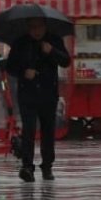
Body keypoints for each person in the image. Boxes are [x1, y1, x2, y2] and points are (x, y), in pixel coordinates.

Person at [5, 19, 71, 182]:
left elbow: (65, 61)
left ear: (45, 27)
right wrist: (24, 72)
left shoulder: (54, 40)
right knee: (29, 130)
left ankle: (47, 166)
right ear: (28, 28)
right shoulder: (20, 43)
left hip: (48, 93)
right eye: (33, 27)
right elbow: (10, 66)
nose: (36, 31)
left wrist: (52, 51)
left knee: (48, 131)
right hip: (28, 93)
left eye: (39, 27)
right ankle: (27, 166)